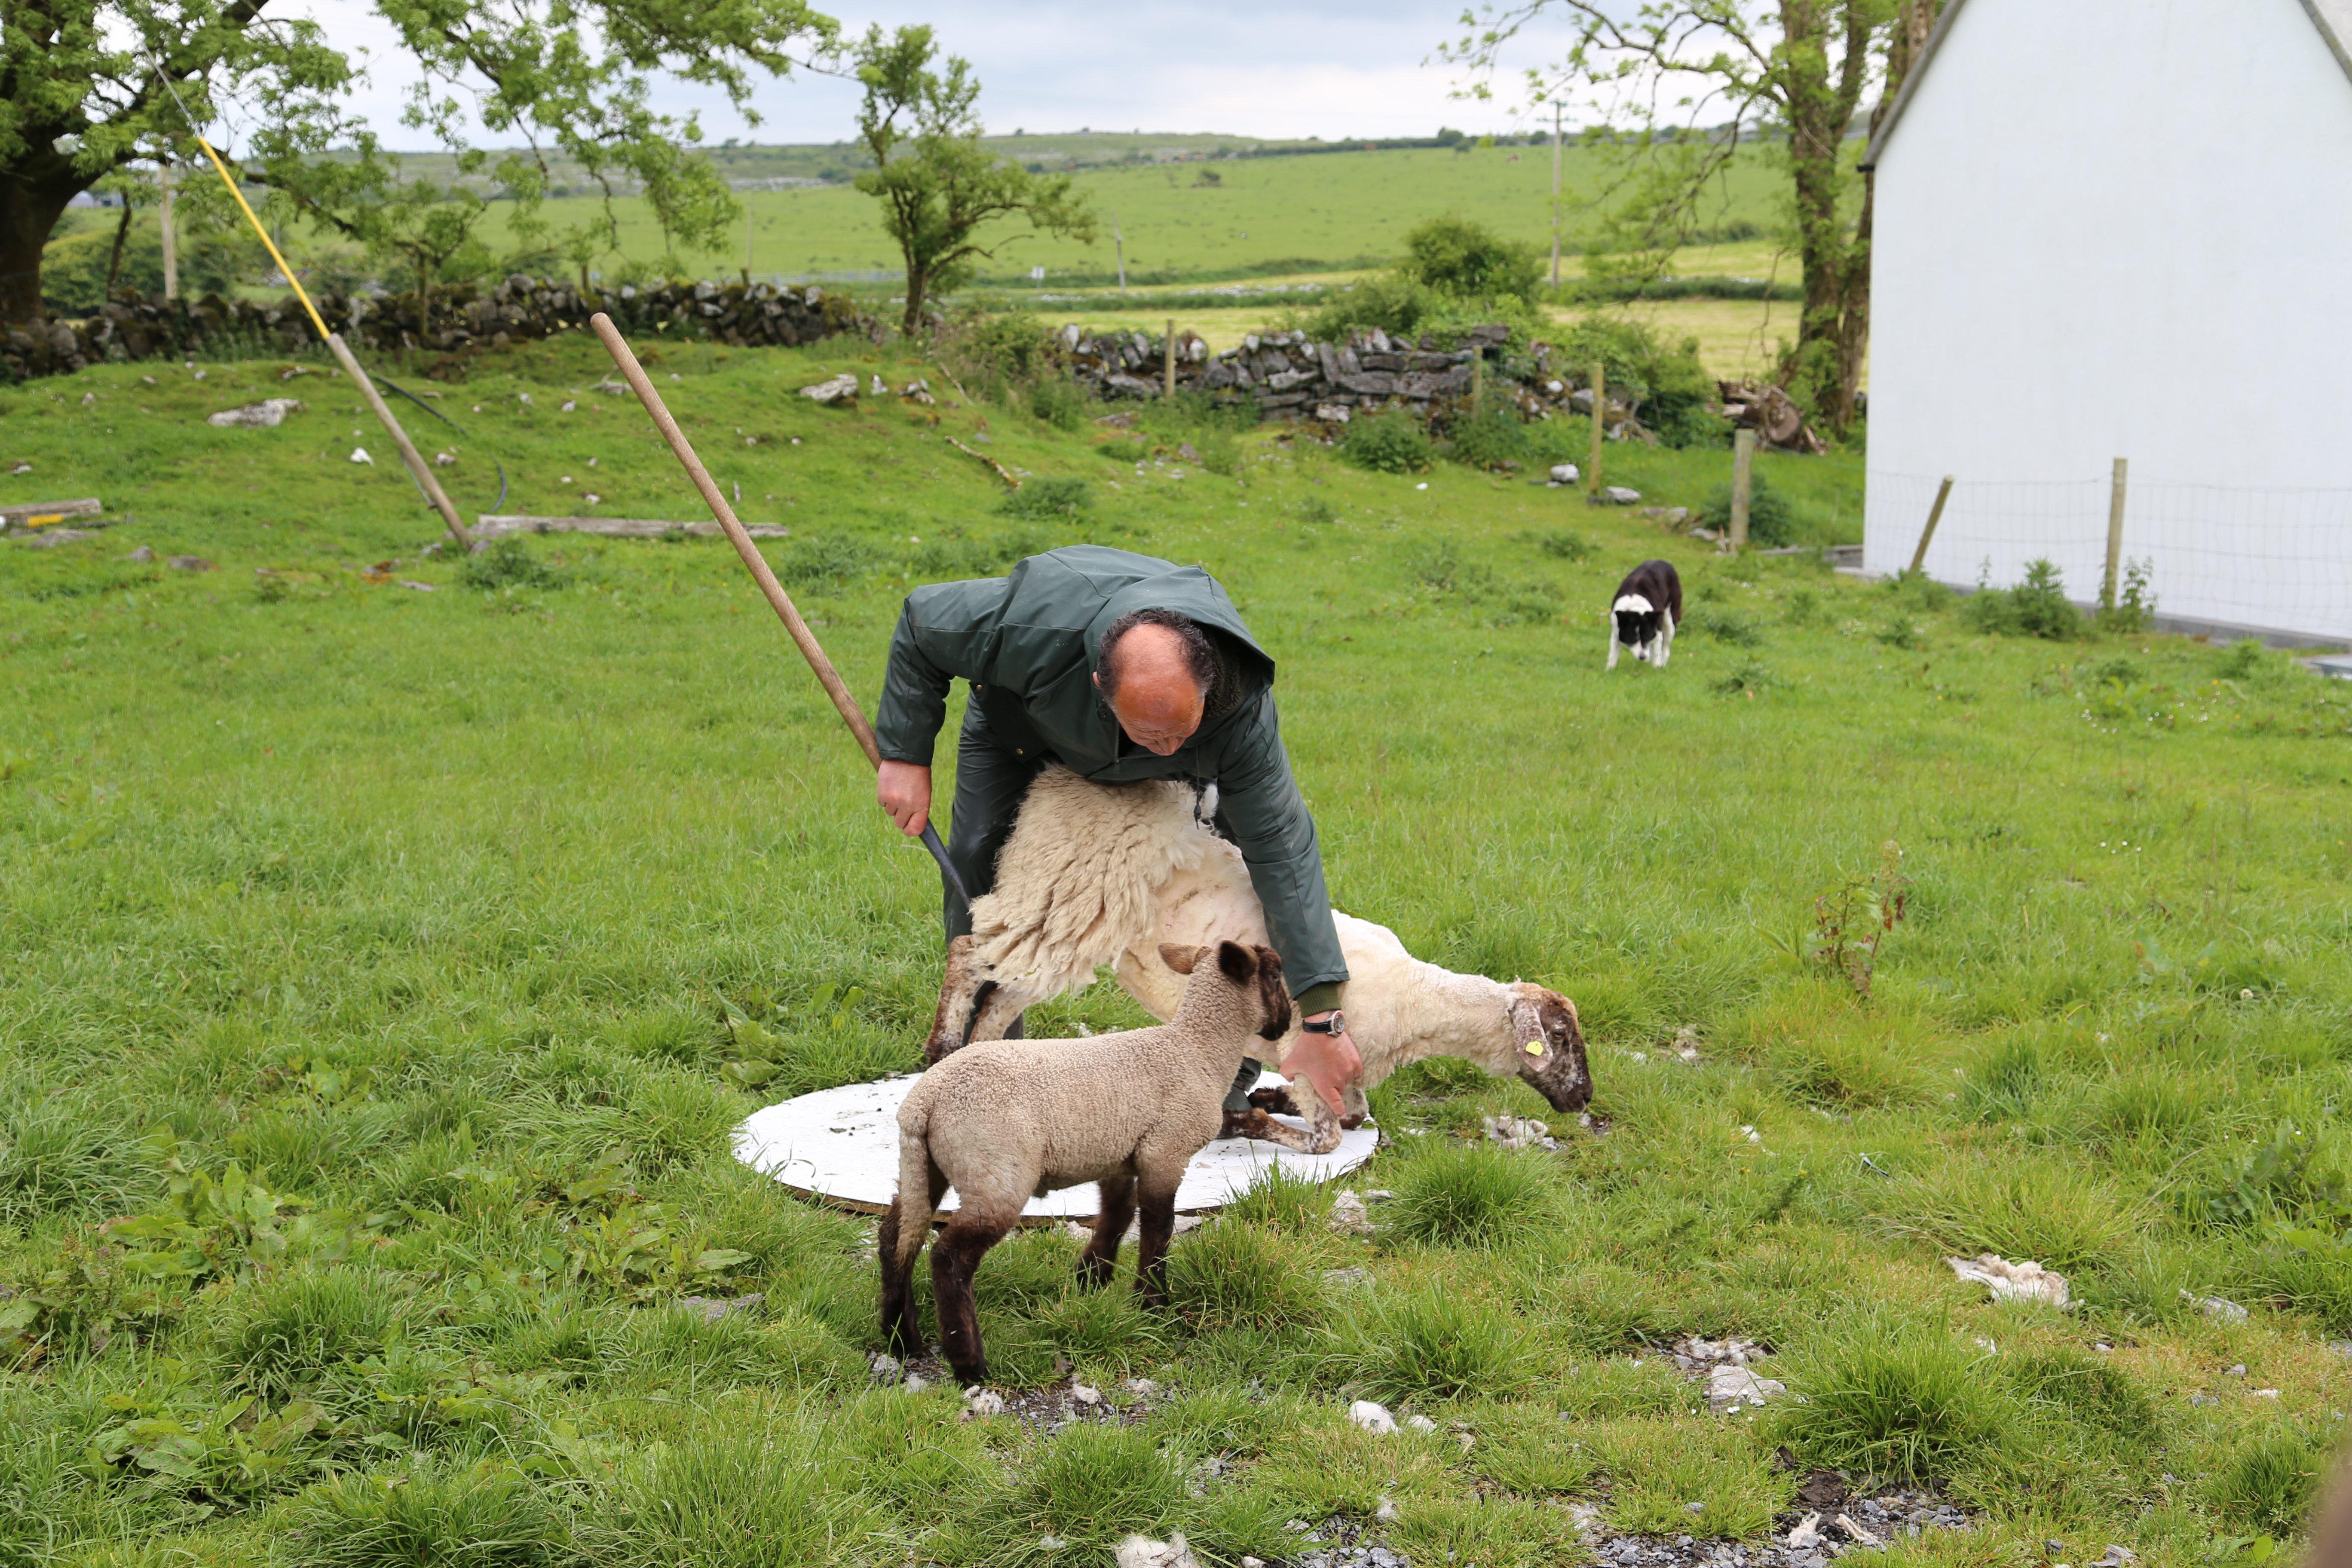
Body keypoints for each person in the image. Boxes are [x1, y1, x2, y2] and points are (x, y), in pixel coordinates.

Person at [873, 543, 1362, 1123]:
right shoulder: (1030, 625)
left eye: (1182, 724)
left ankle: (1226, 1080)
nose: (1170, 743)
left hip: (1203, 765)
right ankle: (986, 1069)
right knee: (977, 856)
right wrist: (905, 753)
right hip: (1026, 732)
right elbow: (923, 621)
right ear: (1101, 680)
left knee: (1238, 890)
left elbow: (1283, 850)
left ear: (1206, 683)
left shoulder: (1237, 713)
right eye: (1151, 730)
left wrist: (1321, 1017)